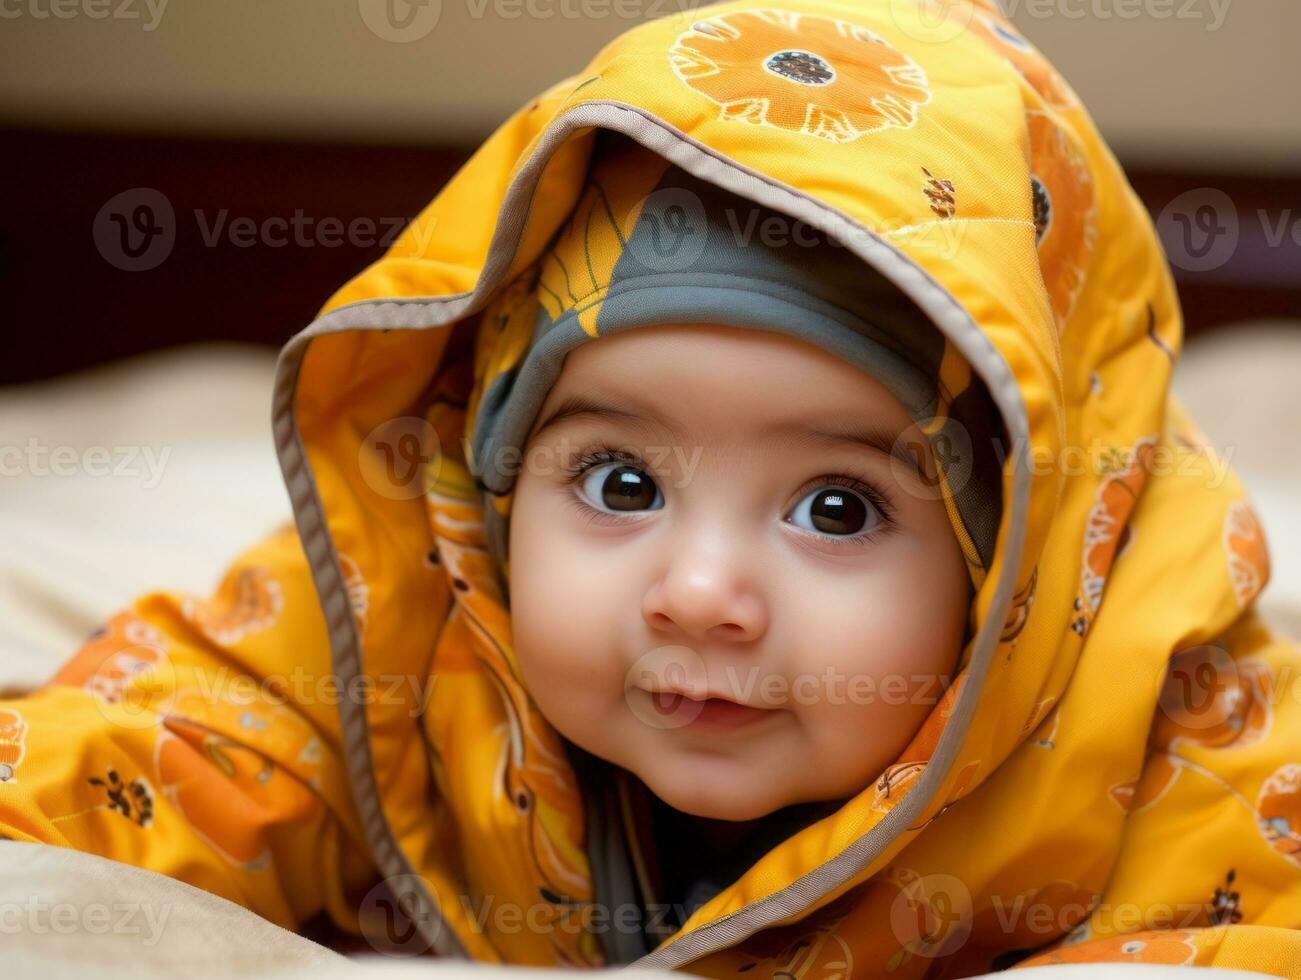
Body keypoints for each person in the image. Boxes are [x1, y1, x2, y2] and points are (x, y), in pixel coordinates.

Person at [2, 0, 1298, 974]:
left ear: (1018, 557)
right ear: (497, 485)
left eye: (836, 506)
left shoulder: (1178, 746)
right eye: (619, 481)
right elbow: (176, 738)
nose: (696, 595)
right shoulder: (397, 638)